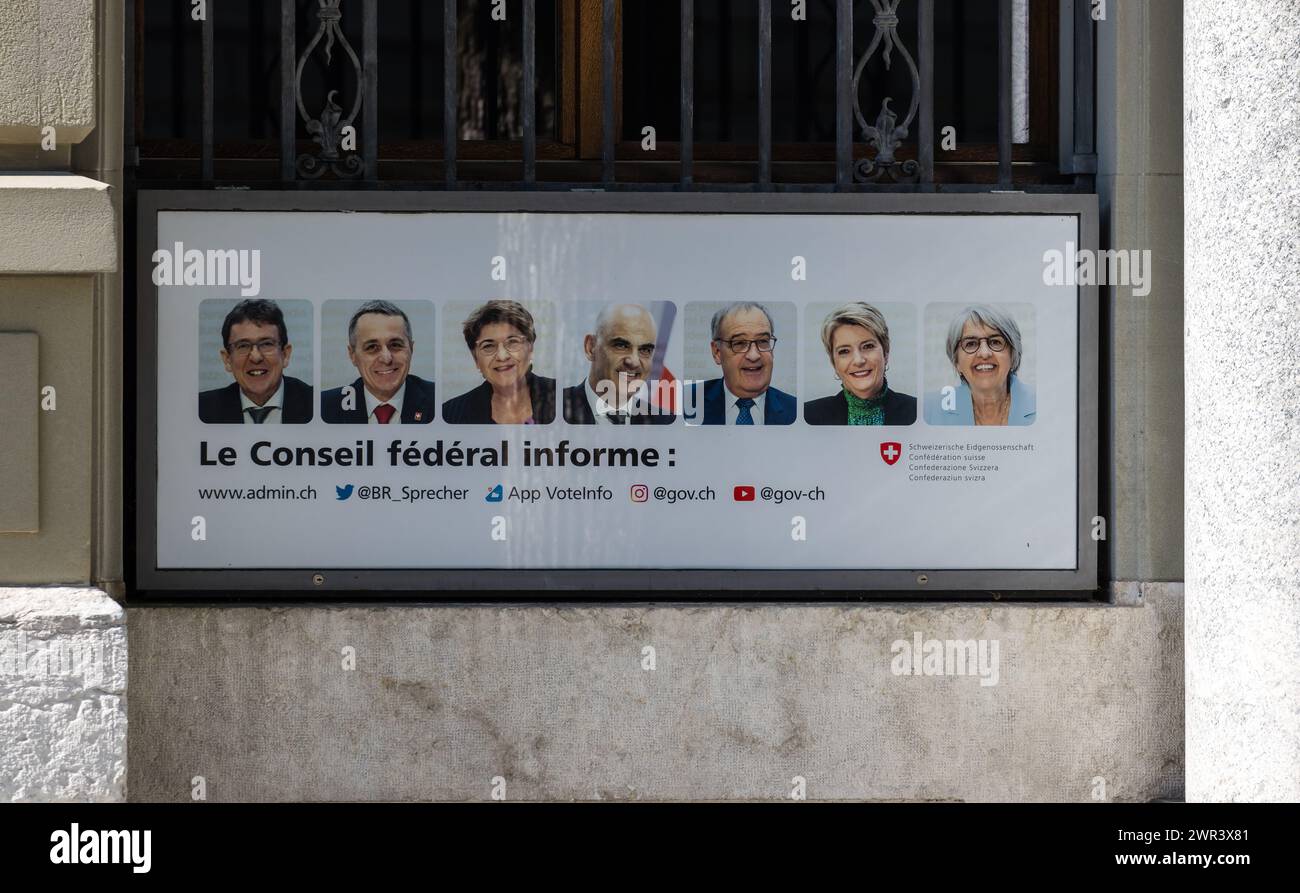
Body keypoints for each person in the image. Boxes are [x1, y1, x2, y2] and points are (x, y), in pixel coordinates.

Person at [198, 299, 313, 423]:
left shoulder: (316, 403)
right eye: (243, 346)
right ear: (227, 359)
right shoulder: (202, 409)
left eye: (266, 344)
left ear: (285, 355)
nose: (256, 357)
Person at [442, 299, 556, 424]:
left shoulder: (565, 398)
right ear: (476, 359)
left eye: (512, 342)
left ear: (530, 348)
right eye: (488, 346)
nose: (502, 356)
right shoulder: (450, 415)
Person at [320, 300, 436, 424]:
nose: (386, 359)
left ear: (411, 349)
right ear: (352, 355)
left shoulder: (437, 401)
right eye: (372, 347)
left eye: (395, 345)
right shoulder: (323, 407)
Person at [804, 302, 917, 426]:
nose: (858, 360)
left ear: (885, 352)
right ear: (833, 362)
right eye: (844, 351)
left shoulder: (916, 411)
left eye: (868, 346)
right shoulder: (809, 416)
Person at [924, 304, 1036, 426]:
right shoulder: (928, 410)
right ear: (956, 361)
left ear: (1013, 354)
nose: (984, 353)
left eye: (995, 342)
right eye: (971, 344)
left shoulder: (1044, 404)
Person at [686, 301, 796, 425]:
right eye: (739, 343)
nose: (754, 355)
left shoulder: (795, 410)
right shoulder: (683, 402)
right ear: (717, 352)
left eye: (763, 341)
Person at [563, 304, 675, 424]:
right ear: (591, 347)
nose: (634, 362)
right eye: (621, 346)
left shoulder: (666, 423)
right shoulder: (550, 408)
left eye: (645, 350)